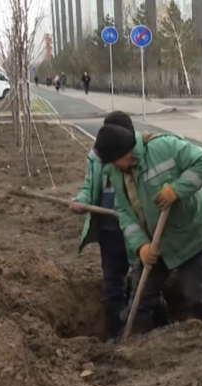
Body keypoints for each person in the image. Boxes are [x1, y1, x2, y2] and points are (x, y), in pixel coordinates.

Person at [93, 122, 202, 335]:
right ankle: (137, 346)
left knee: (197, 296)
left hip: (189, 234)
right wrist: (141, 245)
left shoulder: (165, 147)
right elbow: (124, 213)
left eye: (115, 161)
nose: (113, 167)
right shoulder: (116, 172)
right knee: (140, 299)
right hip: (155, 241)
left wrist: (177, 190)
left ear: (125, 152)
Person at [70, 111, 137, 342]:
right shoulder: (96, 159)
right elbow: (89, 187)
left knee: (142, 278)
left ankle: (147, 326)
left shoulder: (134, 155)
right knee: (112, 283)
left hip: (136, 230)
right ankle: (117, 332)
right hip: (109, 230)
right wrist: (82, 201)